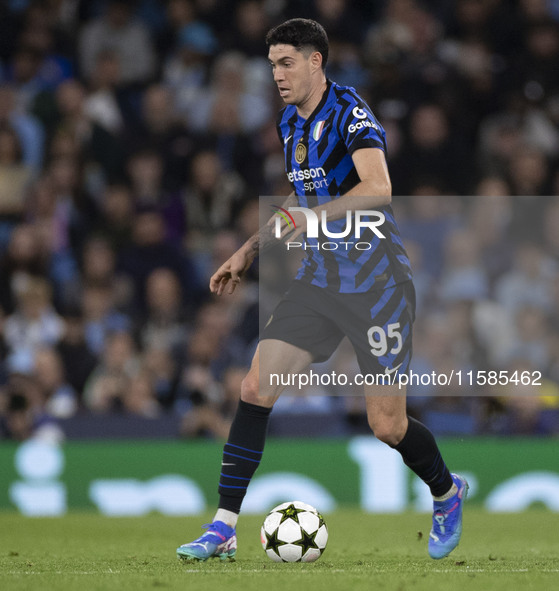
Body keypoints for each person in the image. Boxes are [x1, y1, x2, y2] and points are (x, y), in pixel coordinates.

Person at [176, 18, 467, 562]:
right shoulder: (291, 122)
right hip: (321, 283)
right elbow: (301, 188)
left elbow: (378, 187)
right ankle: (223, 526)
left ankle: (447, 493)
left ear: (315, 62)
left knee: (387, 425)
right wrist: (248, 248)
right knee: (255, 388)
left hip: (379, 287)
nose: (277, 76)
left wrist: (314, 218)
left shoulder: (350, 112)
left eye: (286, 63)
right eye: (271, 66)